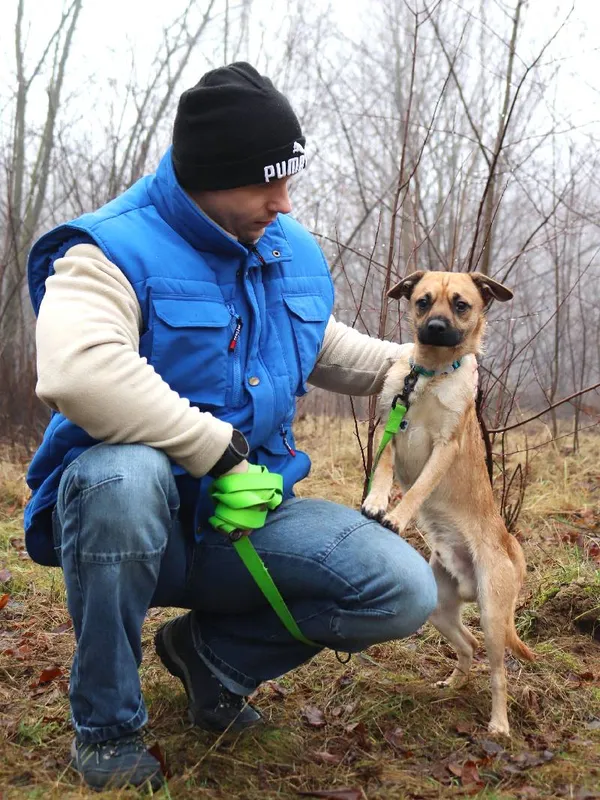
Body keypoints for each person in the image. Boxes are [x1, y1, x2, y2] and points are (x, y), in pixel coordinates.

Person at [25, 62, 438, 791]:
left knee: (402, 588)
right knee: (125, 475)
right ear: (203, 178)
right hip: (121, 525)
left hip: (247, 524)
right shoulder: (107, 250)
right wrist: (216, 452)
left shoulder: (285, 247)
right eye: (264, 183)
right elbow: (79, 372)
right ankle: (108, 726)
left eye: (288, 180)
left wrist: (412, 366)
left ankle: (211, 660)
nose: (284, 202)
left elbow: (318, 343)